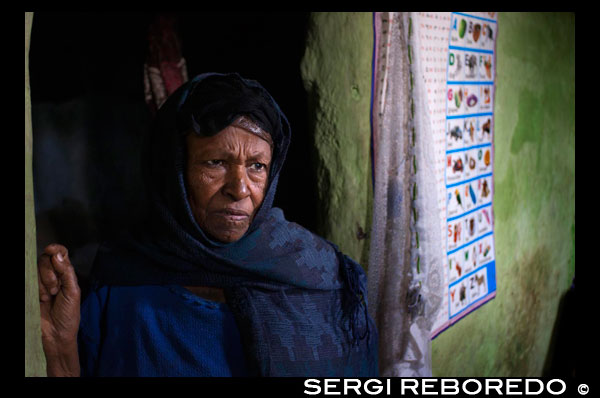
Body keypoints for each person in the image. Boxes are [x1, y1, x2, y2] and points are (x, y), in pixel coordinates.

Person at [37, 72, 378, 377]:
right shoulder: (122, 281)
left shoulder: (322, 280)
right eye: (216, 162)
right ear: (174, 171)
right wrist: (61, 350)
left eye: (257, 166)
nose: (240, 188)